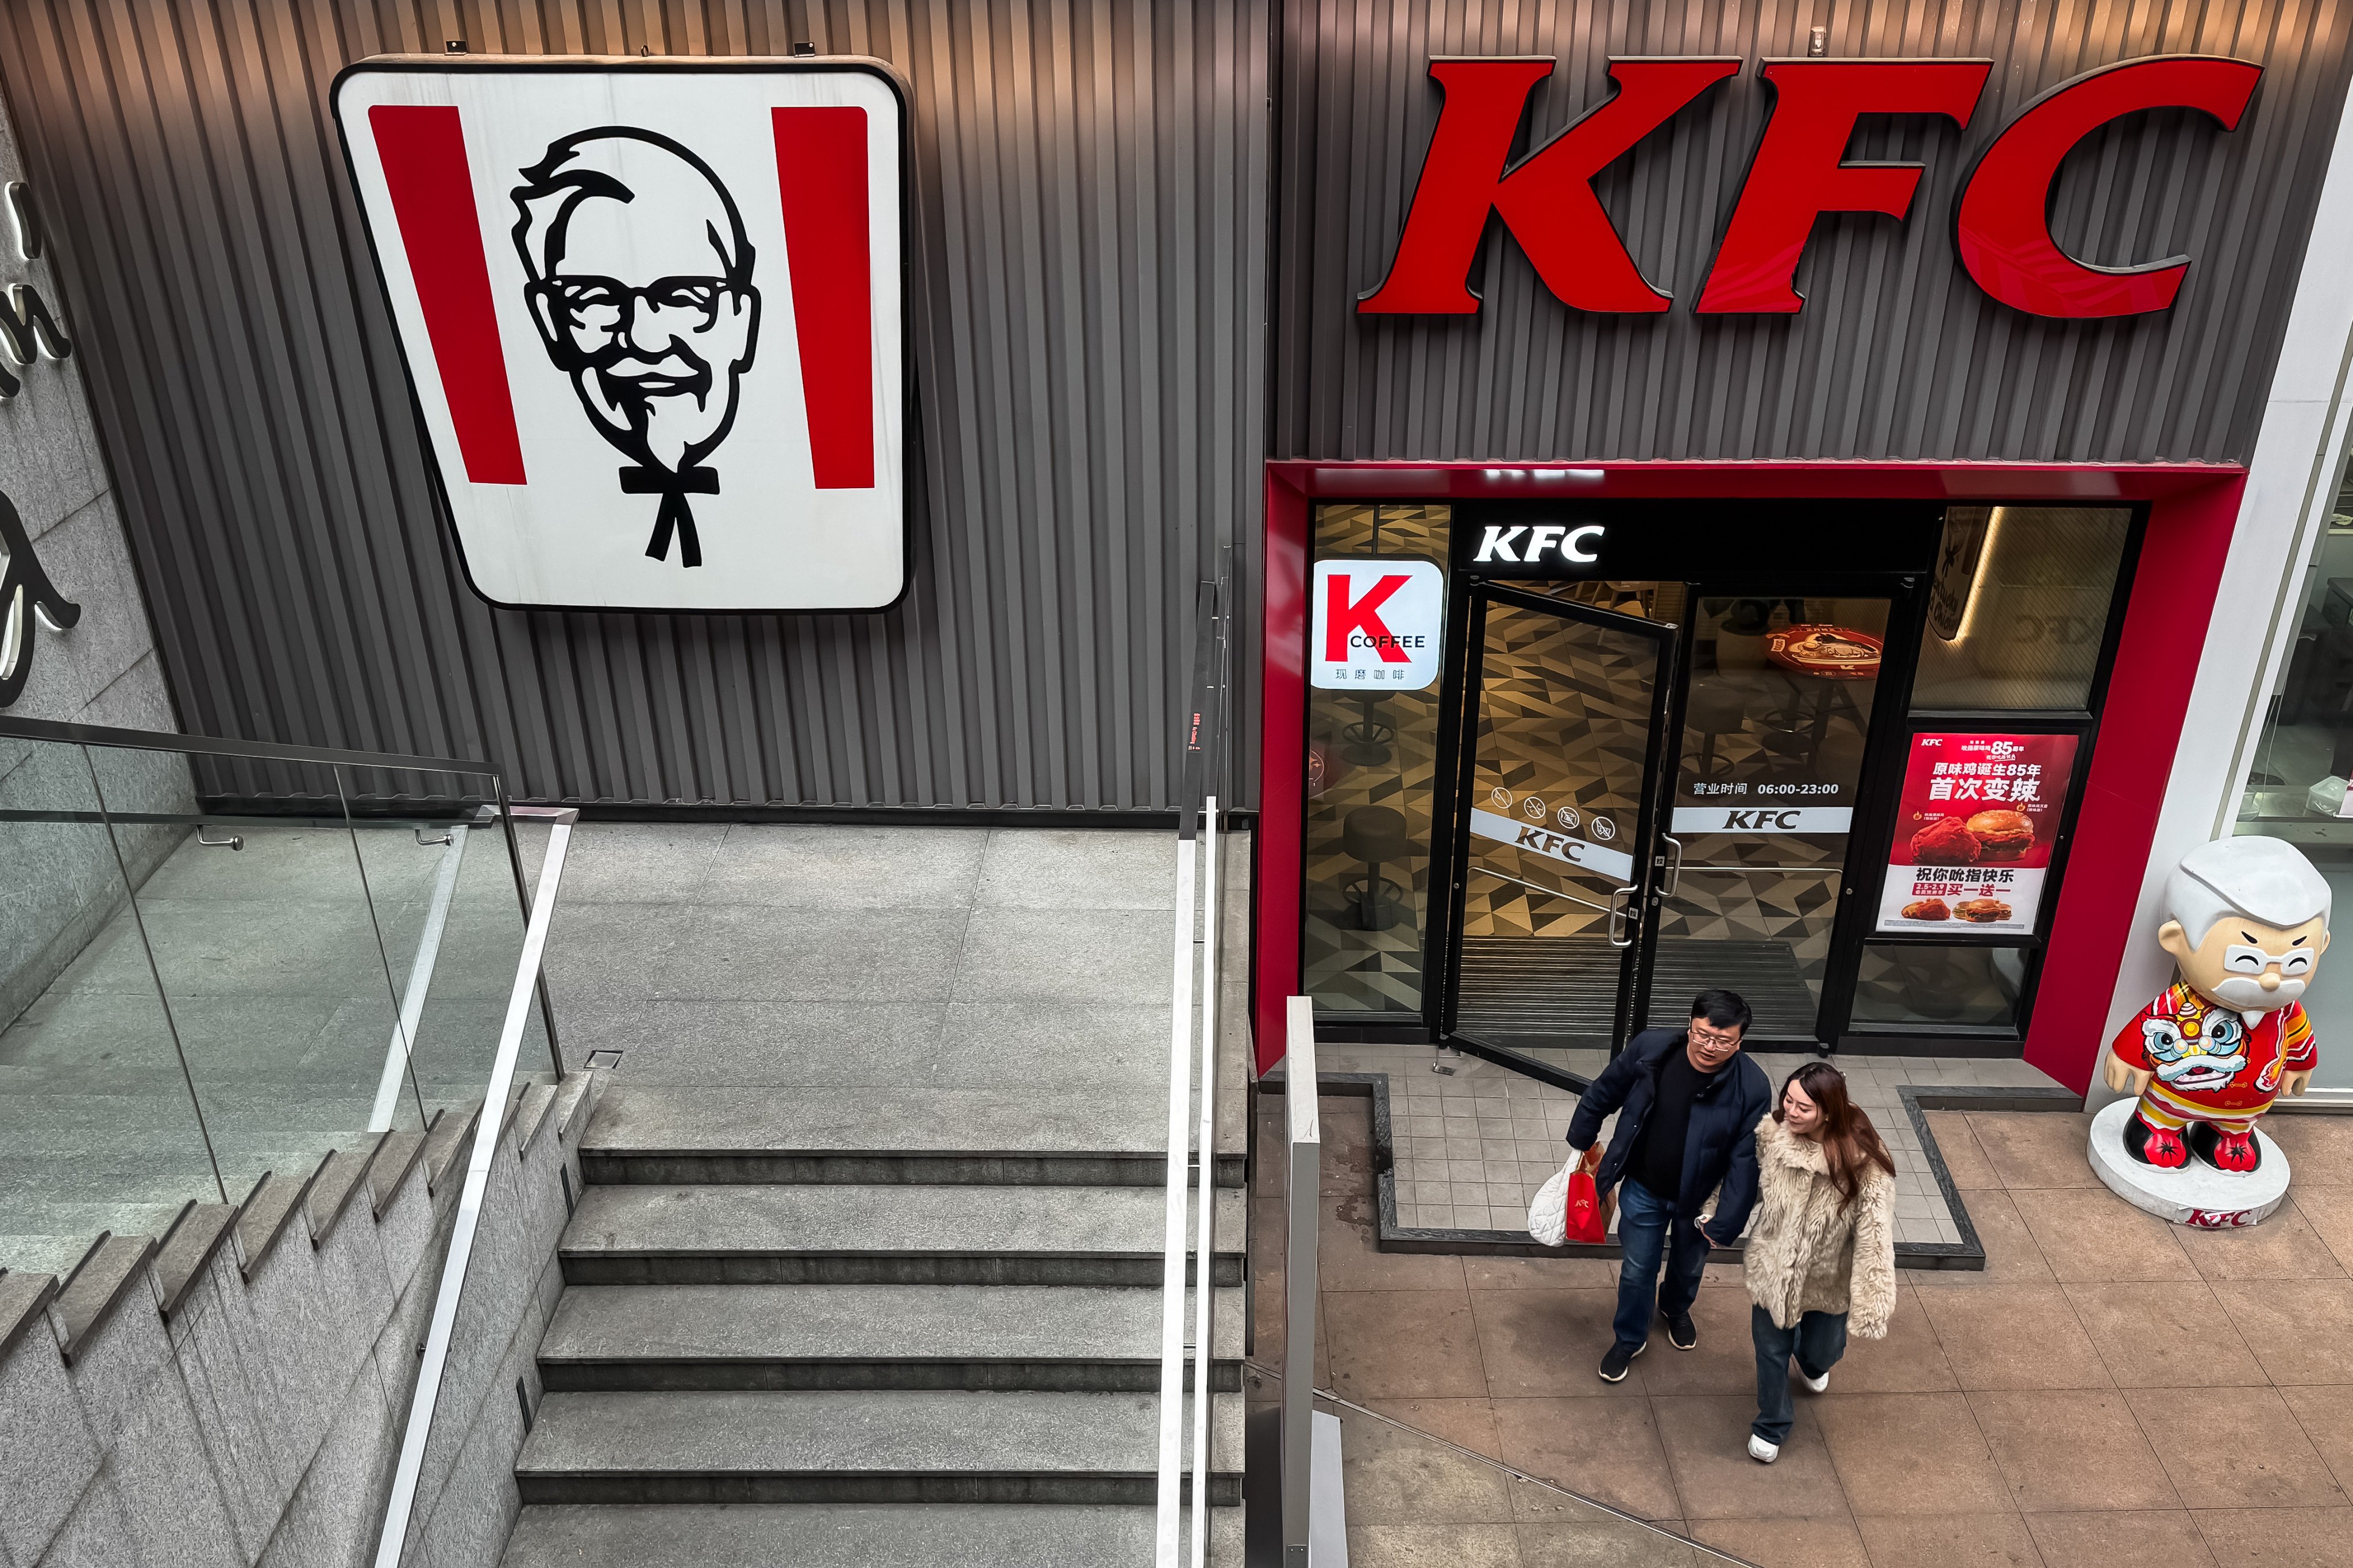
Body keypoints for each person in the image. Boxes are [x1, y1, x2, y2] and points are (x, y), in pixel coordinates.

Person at [1566, 988, 1773, 1382]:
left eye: (1723, 1041)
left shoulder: (1752, 1086)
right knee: (1636, 1269)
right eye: (1703, 1035)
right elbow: (1606, 1089)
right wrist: (1582, 1137)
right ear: (1690, 1026)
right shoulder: (1653, 1049)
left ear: (1740, 1042)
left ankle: (1675, 1308)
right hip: (1644, 1188)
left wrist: (1726, 1223)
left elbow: (1746, 1162)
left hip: (1698, 1202)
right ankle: (1629, 1339)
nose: (1710, 1047)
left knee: (1688, 1264)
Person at [1743, 1062, 1896, 1463]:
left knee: (1822, 1352)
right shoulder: (1773, 1136)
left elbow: (1875, 1236)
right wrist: (1714, 1213)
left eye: (1803, 1107)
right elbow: (1747, 1186)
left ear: (1828, 1111)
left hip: (1829, 1280)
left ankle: (1812, 1361)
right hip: (1772, 1268)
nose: (1790, 1112)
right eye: (1788, 1100)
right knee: (1770, 1350)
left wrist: (1872, 1299)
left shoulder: (1865, 1162)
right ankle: (1771, 1423)